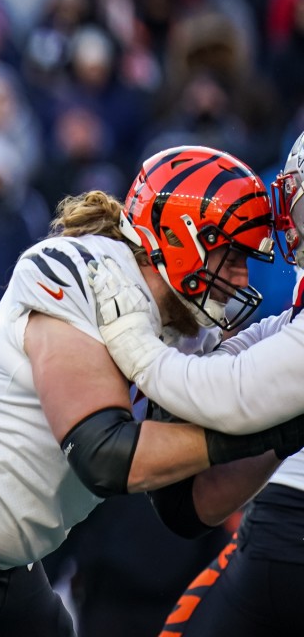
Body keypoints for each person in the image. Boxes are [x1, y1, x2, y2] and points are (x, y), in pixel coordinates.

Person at [0, 145, 304, 637]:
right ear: (184, 235)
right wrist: (255, 432)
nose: (241, 278)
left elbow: (189, 505)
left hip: (7, 563)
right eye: (232, 255)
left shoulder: (186, 331)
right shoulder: (85, 269)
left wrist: (281, 433)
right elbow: (102, 455)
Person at [85, 129, 304, 635]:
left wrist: (141, 351)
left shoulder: (101, 292)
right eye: (233, 256)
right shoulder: (74, 272)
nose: (245, 279)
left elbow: (224, 393)